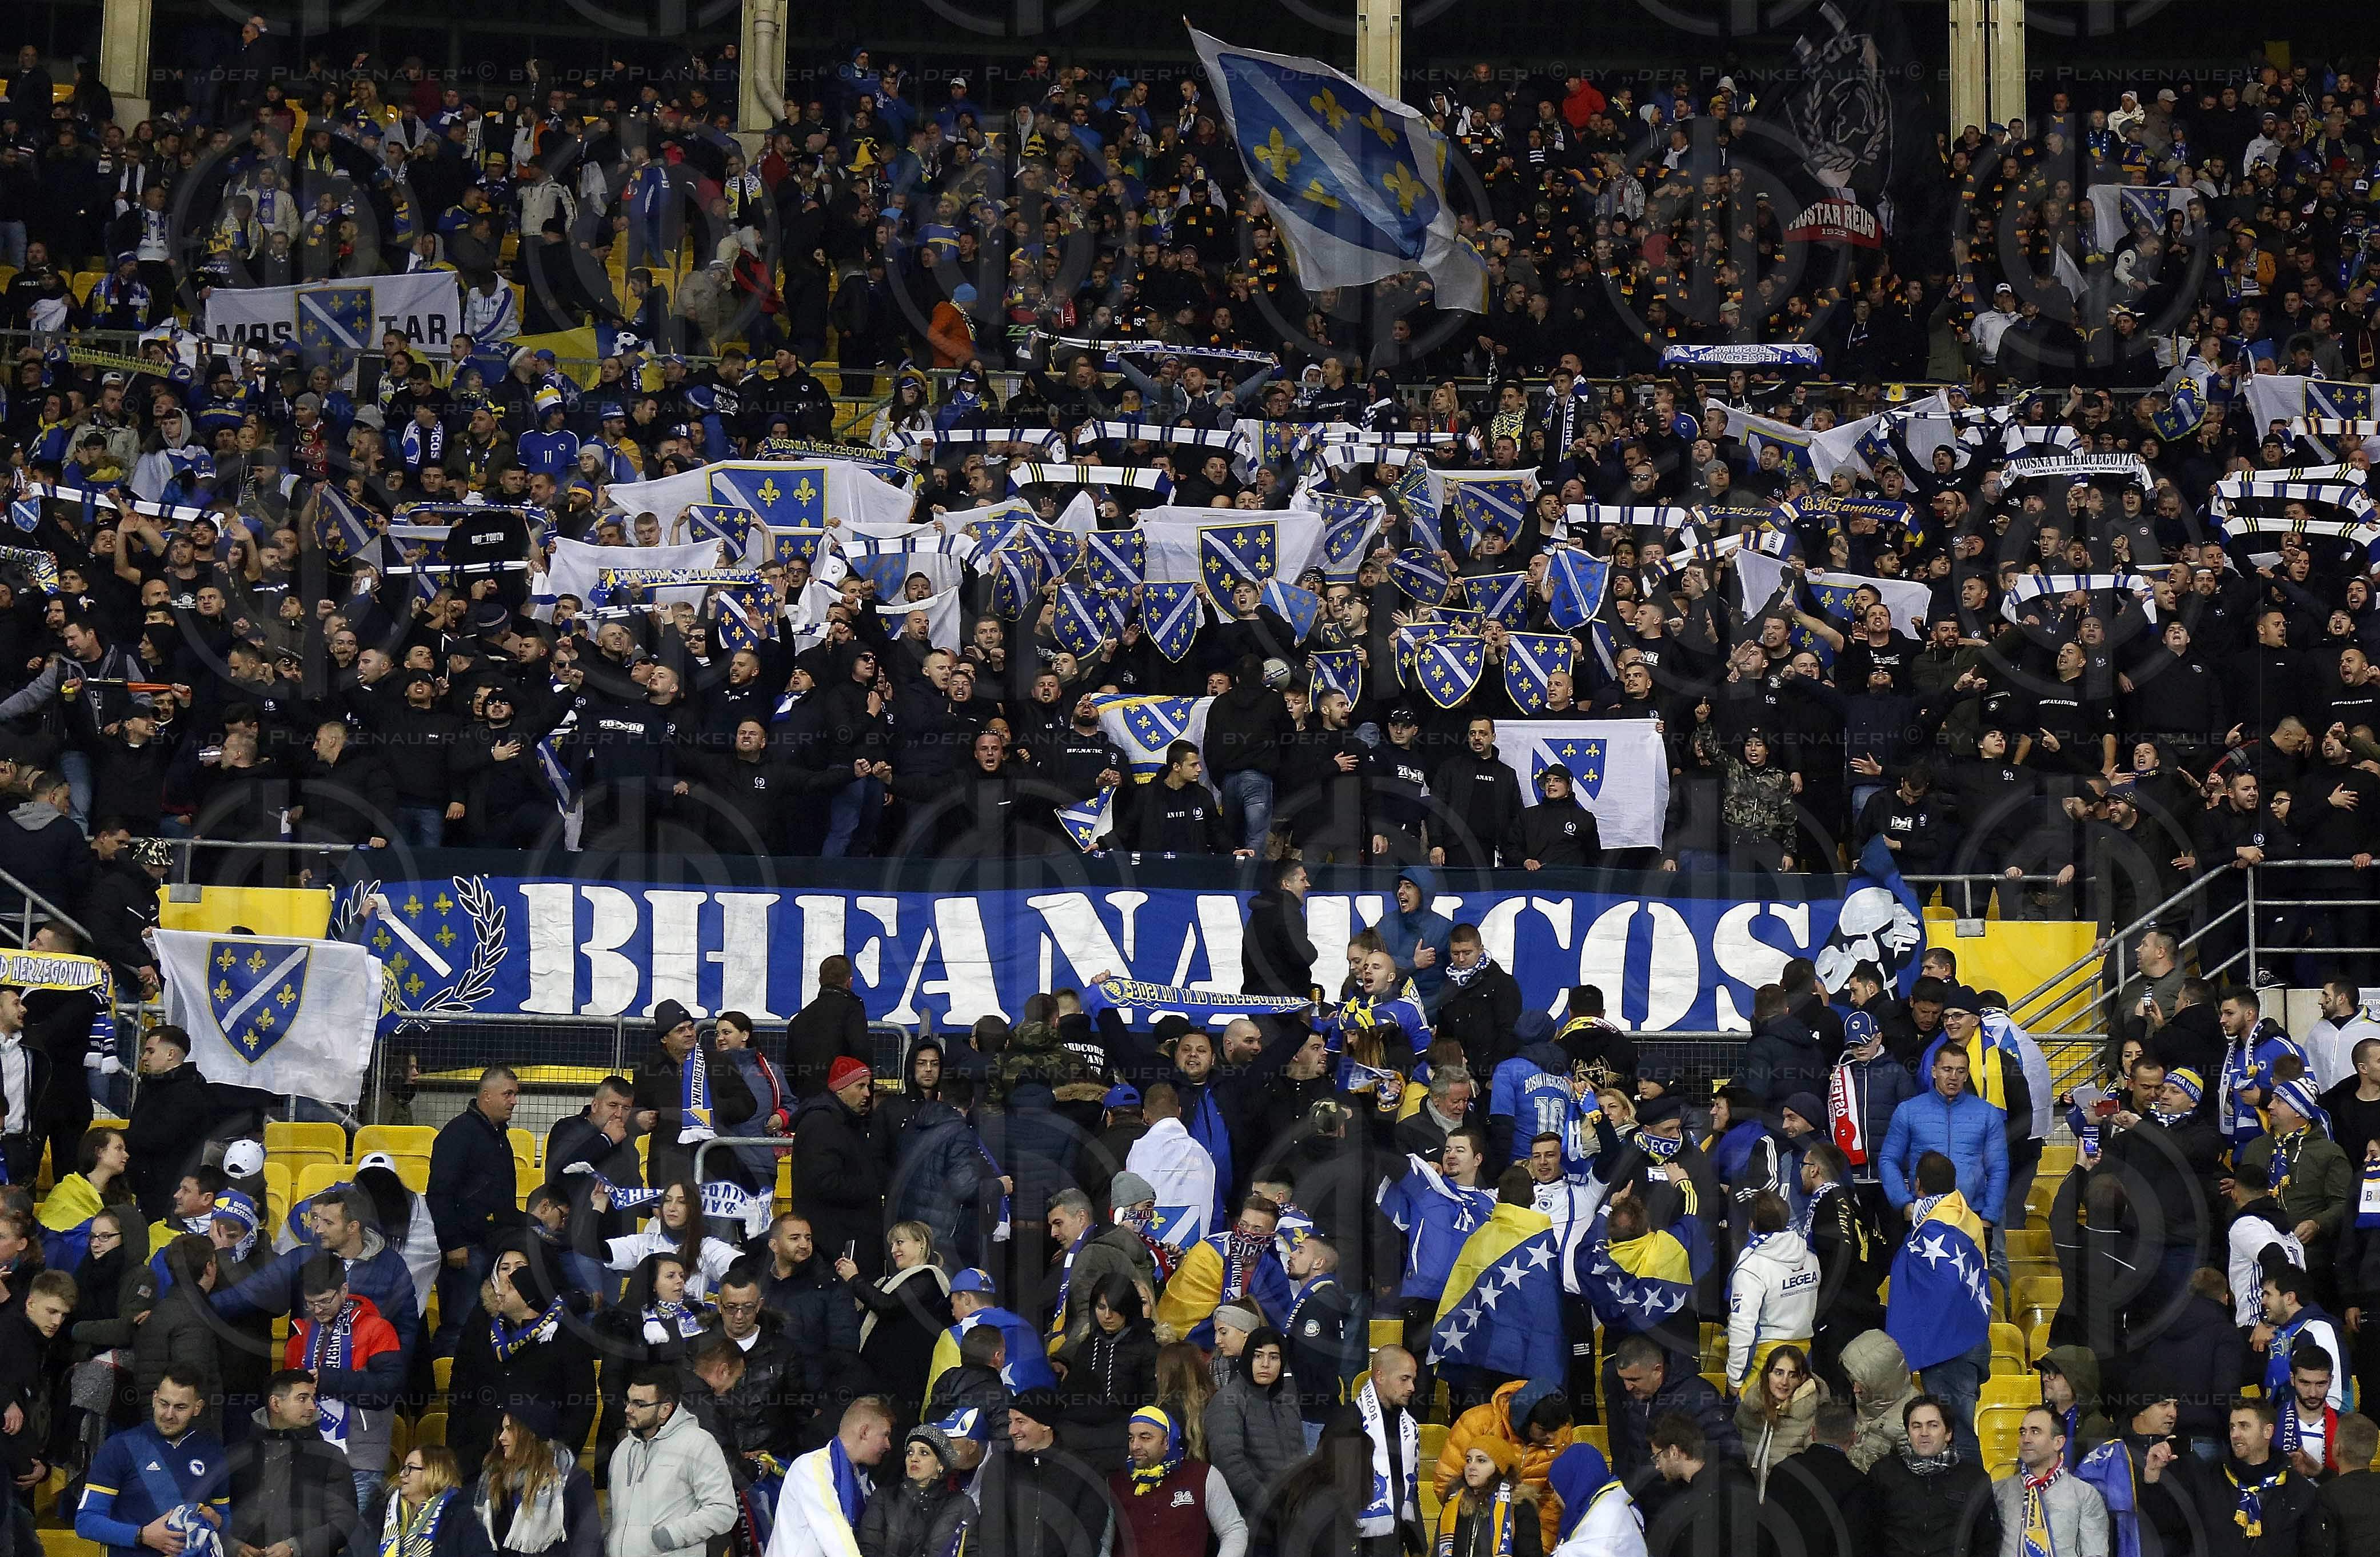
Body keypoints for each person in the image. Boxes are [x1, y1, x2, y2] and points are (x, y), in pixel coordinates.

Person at [287, 1250, 405, 1531]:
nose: (318, 1310)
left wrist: (328, 1380)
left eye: (325, 1301)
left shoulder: (378, 1329)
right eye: (311, 1303)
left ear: (344, 1290)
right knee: (308, 1538)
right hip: (309, 1457)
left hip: (361, 1460)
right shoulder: (301, 1334)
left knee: (350, 1538)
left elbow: (386, 1391)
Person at [76, 1369, 229, 1557]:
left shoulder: (212, 1452)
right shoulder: (120, 1447)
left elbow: (224, 1516)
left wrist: (219, 1522)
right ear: (154, 1399)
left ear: (197, 1408)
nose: (169, 1414)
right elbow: (86, 1521)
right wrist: (142, 1535)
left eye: (180, 1407)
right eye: (164, 1404)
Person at [427, 1065, 524, 1355]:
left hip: (492, 1246)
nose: (514, 1101)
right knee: (458, 1325)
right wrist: (453, 1243)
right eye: (508, 1094)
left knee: (482, 1325)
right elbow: (439, 1193)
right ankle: (443, 1380)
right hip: (466, 1250)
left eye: (515, 1095)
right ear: (487, 1096)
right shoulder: (458, 1134)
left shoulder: (500, 1137)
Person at [608, 1363, 740, 1557]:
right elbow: (611, 1513)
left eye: (639, 1404)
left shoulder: (698, 1444)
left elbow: (723, 1510)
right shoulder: (624, 1449)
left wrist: (671, 1536)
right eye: (628, 1401)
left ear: (665, 1410)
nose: (629, 1409)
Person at [225, 1370, 361, 1557]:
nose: (312, 1407)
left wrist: (295, 1548)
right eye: (302, 1399)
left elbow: (344, 1520)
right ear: (276, 1404)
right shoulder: (234, 1455)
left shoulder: (331, 1456)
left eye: (313, 1399)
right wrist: (233, 1547)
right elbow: (215, 1515)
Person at [971, 1388, 1113, 1557]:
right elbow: (993, 1531)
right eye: (1011, 1422)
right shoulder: (1001, 1465)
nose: (1012, 1431)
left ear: (1045, 1425)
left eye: (1020, 1422)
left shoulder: (1086, 1470)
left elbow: (1086, 1536)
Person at [1432, 1380, 1572, 1552]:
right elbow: (1447, 1482)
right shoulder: (1477, 1423)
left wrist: (1539, 1547)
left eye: (1555, 1430)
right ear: (1525, 1420)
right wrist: (1483, 1523)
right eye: (1543, 1429)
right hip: (1472, 1524)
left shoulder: (1560, 1438)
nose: (1551, 1437)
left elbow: (1552, 1501)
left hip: (1526, 1528)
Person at [835, 1220, 952, 1416]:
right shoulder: (891, 1281)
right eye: (891, 1245)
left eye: (900, 1243)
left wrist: (854, 1279)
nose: (893, 1250)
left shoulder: (928, 1278)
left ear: (921, 1243)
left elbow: (887, 1305)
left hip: (905, 1380)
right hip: (878, 1376)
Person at [1109, 1403, 1250, 1557]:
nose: (1135, 1446)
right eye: (1131, 1438)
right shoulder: (1117, 1484)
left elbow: (1233, 1529)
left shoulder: (1202, 1476)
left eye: (1145, 1438)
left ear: (1167, 1441)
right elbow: (1102, 1544)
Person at [468, 1400, 604, 1557]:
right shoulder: (493, 1478)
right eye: (502, 1430)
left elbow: (589, 1541)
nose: (501, 1437)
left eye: (509, 1430)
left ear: (529, 1435)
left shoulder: (570, 1480)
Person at [794, 1056, 888, 1281]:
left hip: (845, 1239)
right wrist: (872, 1186)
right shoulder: (822, 1124)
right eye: (860, 1086)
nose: (867, 1094)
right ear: (840, 1089)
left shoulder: (847, 1121)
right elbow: (824, 1183)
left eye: (868, 1087)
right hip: (833, 1244)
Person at [1866, 1396, 1996, 1557]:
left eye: (1933, 1425)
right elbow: (1867, 1534)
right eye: (1916, 1426)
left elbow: (1987, 1542)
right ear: (1908, 1433)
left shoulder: (1974, 1478)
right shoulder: (1883, 1473)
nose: (1924, 1433)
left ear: (1948, 1433)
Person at [1326, 1346, 1425, 1557]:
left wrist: (1417, 1547)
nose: (1412, 1387)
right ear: (1380, 1376)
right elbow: (1330, 1488)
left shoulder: (1407, 1427)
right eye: (1404, 1379)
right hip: (1355, 1544)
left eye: (1413, 1380)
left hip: (1394, 1543)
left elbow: (1408, 1487)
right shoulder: (1347, 1421)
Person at [1205, 1324, 1304, 1532]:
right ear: (1248, 1358)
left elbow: (1299, 1457)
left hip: (1291, 1519)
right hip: (1250, 1522)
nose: (1266, 1364)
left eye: (1274, 1357)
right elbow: (1230, 1465)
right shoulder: (1228, 1400)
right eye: (1258, 1356)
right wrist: (1272, 1508)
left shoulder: (1286, 1400)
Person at [768, 1395, 895, 1557]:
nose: (888, 1445)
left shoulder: (863, 1481)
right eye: (885, 1435)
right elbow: (833, 1533)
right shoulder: (811, 1467)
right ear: (865, 1432)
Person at [1990, 1404, 2106, 1557]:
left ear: (2058, 1442)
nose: (2026, 1439)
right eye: (2023, 1432)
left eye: (2035, 1432)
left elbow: (2095, 1553)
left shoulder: (2085, 1495)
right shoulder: (1999, 1491)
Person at [852, 1416, 973, 1557]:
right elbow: (868, 1548)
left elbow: (972, 1552)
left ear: (941, 1463)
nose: (914, 1458)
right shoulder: (883, 1498)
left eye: (924, 1453)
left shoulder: (961, 1505)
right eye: (910, 1452)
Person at [1736, 1344, 1823, 1498]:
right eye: (1778, 1373)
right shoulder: (1748, 1408)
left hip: (1787, 1502)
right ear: (1767, 1374)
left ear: (1803, 1379)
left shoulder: (1812, 1418)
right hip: (1745, 1500)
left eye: (1792, 1375)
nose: (1784, 1382)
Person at [1441, 1438, 1543, 1557]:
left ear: (1499, 1467)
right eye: (1469, 1460)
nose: (1471, 1466)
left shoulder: (1519, 1505)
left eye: (1481, 1461)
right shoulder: (1454, 1503)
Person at [1546, 1442, 1646, 1557]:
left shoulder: (1603, 1517)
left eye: (1555, 1489)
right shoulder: (1613, 1502)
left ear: (1570, 1485)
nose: (1554, 1497)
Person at [380, 1445, 469, 1557]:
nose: (402, 1475)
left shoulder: (460, 1515)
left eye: (410, 1468)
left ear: (434, 1472)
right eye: (404, 1468)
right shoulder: (385, 1510)